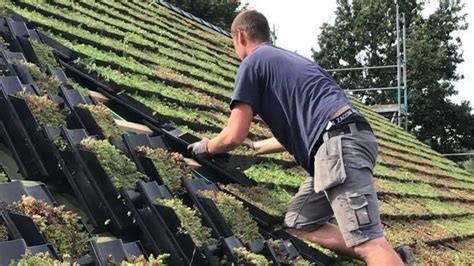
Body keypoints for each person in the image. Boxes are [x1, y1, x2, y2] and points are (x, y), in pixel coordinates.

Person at [188, 10, 411, 265]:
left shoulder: (252, 62)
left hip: (336, 146)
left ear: (239, 35)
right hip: (344, 138)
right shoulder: (291, 61)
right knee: (297, 225)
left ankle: (384, 256)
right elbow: (302, 126)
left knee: (368, 242)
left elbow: (232, 136)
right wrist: (256, 148)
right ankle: (394, 258)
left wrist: (207, 146)